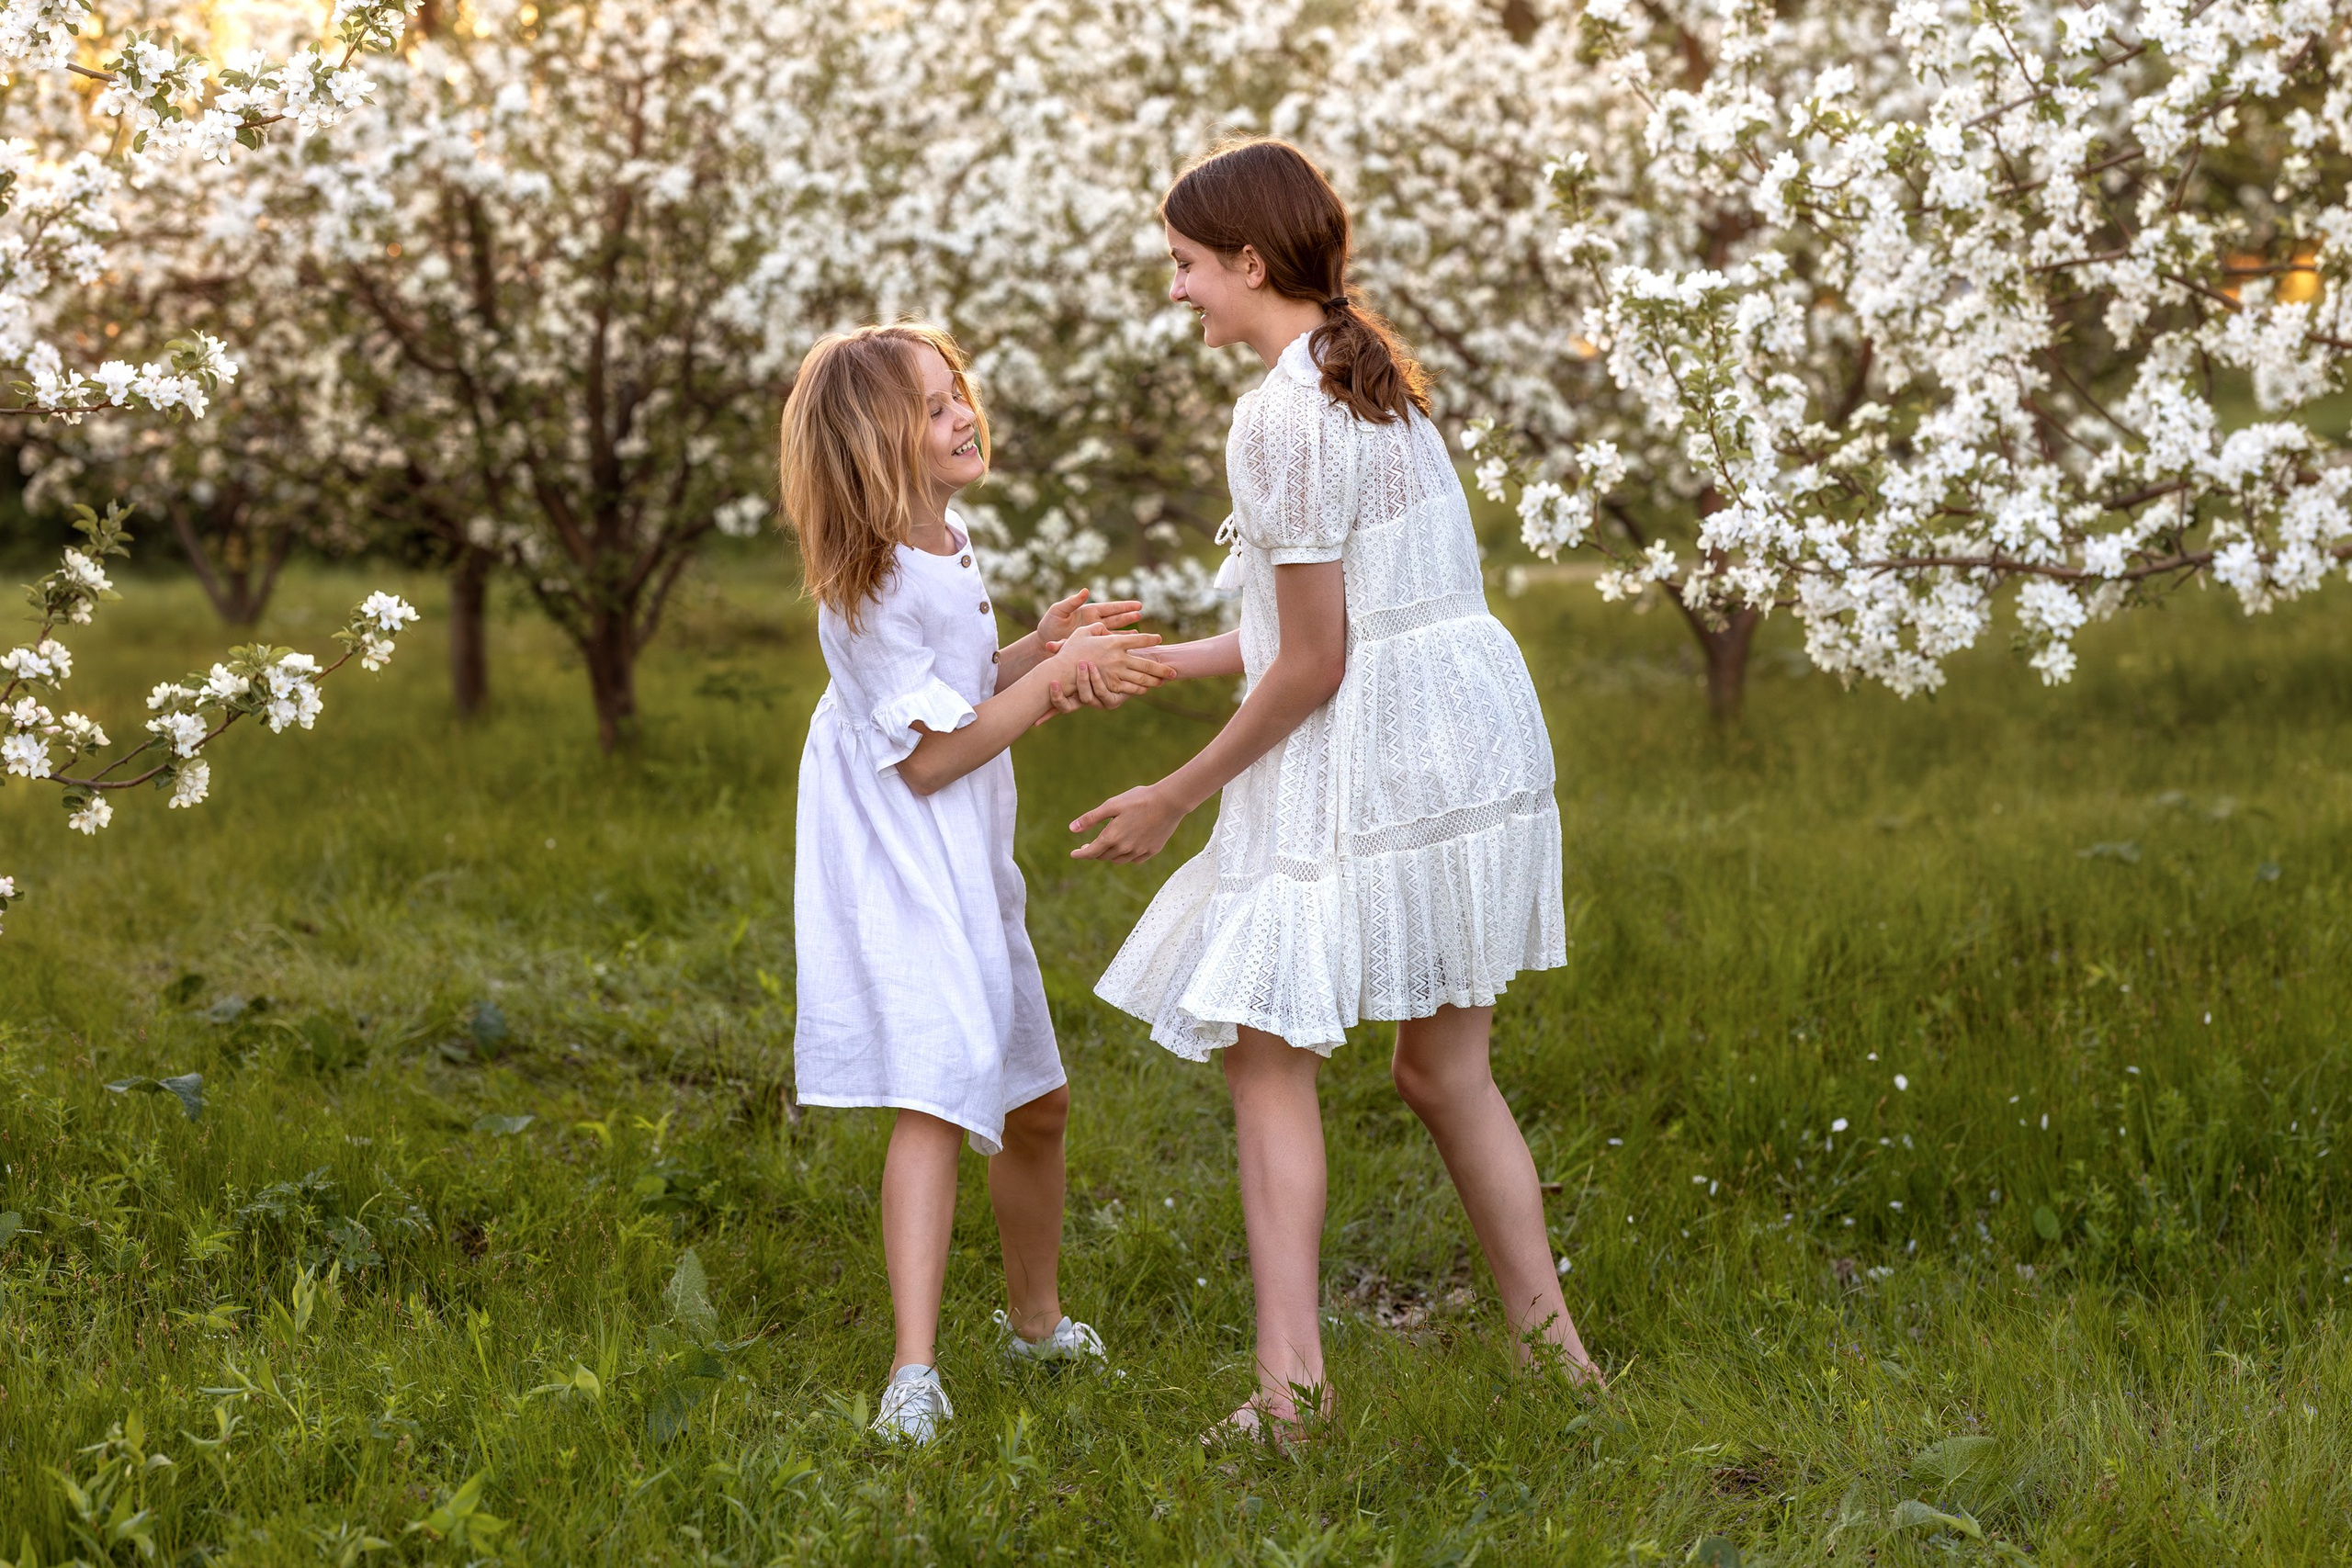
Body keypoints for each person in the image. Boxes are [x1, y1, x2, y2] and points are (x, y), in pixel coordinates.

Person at [1068, 141, 1600, 1441]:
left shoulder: (1280, 414)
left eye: (1187, 266)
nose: (1179, 292)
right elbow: (1334, 619)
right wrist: (1172, 658)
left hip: (1382, 740)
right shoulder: (1368, 383)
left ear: (1250, 263)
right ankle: (1561, 1369)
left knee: (1266, 1051)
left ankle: (1291, 1396)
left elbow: (1315, 661)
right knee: (1444, 1070)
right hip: (1464, 730)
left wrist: (1176, 794)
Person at [780, 321, 1172, 1443]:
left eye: (960, 395)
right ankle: (912, 1373)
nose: (963, 415)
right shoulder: (861, 587)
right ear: (871, 444)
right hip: (904, 858)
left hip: (963, 854)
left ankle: (1034, 1326)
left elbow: (957, 694)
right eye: (934, 405)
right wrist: (1057, 688)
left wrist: (1036, 650)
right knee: (942, 1093)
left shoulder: (949, 540)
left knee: (1033, 1100)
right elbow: (931, 756)